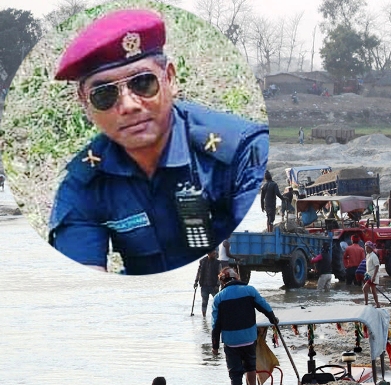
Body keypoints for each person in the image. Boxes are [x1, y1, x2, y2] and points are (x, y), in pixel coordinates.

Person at [48, 9, 268, 275]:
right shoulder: (83, 185)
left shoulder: (242, 153)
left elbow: (253, 253)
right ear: (85, 103)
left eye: (142, 83)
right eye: (104, 94)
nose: (128, 105)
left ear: (170, 79)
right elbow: (82, 285)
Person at [211, 267, 278, 385]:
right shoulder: (249, 290)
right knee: (250, 367)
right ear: (237, 277)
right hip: (249, 338)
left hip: (231, 341)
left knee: (235, 373)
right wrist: (273, 319)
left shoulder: (219, 298)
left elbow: (215, 325)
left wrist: (214, 345)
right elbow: (263, 306)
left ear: (223, 282)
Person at [194, 250, 219, 317]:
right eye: (213, 253)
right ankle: (204, 318)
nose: (215, 255)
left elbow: (220, 274)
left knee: (217, 301)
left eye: (215, 253)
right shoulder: (202, 261)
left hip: (214, 286)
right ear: (209, 254)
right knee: (204, 302)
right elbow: (199, 272)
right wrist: (196, 282)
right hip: (204, 285)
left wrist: (217, 285)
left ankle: (219, 315)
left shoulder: (217, 263)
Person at [362, 241, 381, 307]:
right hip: (369, 275)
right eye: (365, 247)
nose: (365, 249)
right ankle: (377, 304)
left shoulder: (374, 256)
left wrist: (374, 277)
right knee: (373, 291)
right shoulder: (368, 255)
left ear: (370, 248)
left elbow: (377, 266)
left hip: (373, 275)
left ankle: (366, 303)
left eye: (367, 247)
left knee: (364, 289)